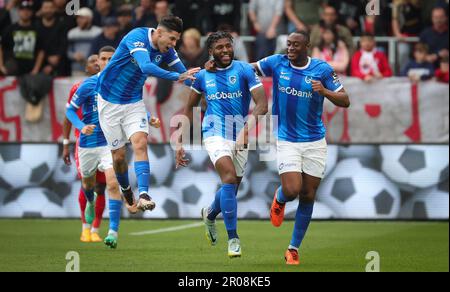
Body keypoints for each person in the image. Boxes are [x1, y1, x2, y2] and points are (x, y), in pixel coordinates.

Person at [255, 31, 350, 265]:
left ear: (307, 46)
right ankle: (280, 198)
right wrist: (216, 67)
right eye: (288, 44)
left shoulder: (323, 70)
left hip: (315, 141)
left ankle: (293, 248)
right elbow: (247, 69)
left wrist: (325, 91)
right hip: (287, 138)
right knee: (292, 189)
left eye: (296, 45)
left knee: (308, 195)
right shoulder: (277, 63)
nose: (291, 48)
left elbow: (345, 100)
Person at [176, 31, 268, 258]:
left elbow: (262, 105)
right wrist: (179, 141)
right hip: (214, 132)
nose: (225, 51)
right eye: (220, 48)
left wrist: (247, 131)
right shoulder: (202, 76)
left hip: (240, 133)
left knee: (232, 188)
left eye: (228, 46)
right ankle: (234, 239)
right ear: (210, 52)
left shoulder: (245, 70)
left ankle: (209, 214)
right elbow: (189, 109)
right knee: (227, 178)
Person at [96, 15, 199, 214]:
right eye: (172, 39)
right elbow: (146, 66)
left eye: (177, 40)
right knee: (118, 157)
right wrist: (178, 77)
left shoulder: (167, 50)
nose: (174, 44)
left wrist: (208, 83)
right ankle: (127, 192)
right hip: (108, 102)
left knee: (140, 144)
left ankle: (143, 194)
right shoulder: (137, 37)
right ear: (159, 33)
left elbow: (187, 76)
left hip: (134, 102)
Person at [62, 54, 106, 243]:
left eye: (101, 60)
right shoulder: (78, 88)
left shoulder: (109, 84)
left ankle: (95, 228)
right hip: (84, 142)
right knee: (88, 184)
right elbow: (68, 114)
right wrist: (66, 143)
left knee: (102, 187)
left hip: (105, 142)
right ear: (87, 68)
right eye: (93, 61)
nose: (97, 63)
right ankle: (84, 228)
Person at [67, 7, 101, 75]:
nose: (78, 20)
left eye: (82, 18)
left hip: (94, 70)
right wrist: (74, 56)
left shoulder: (98, 32)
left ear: (89, 19)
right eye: (77, 18)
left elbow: (101, 51)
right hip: (77, 70)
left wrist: (88, 58)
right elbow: (68, 52)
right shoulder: (72, 33)